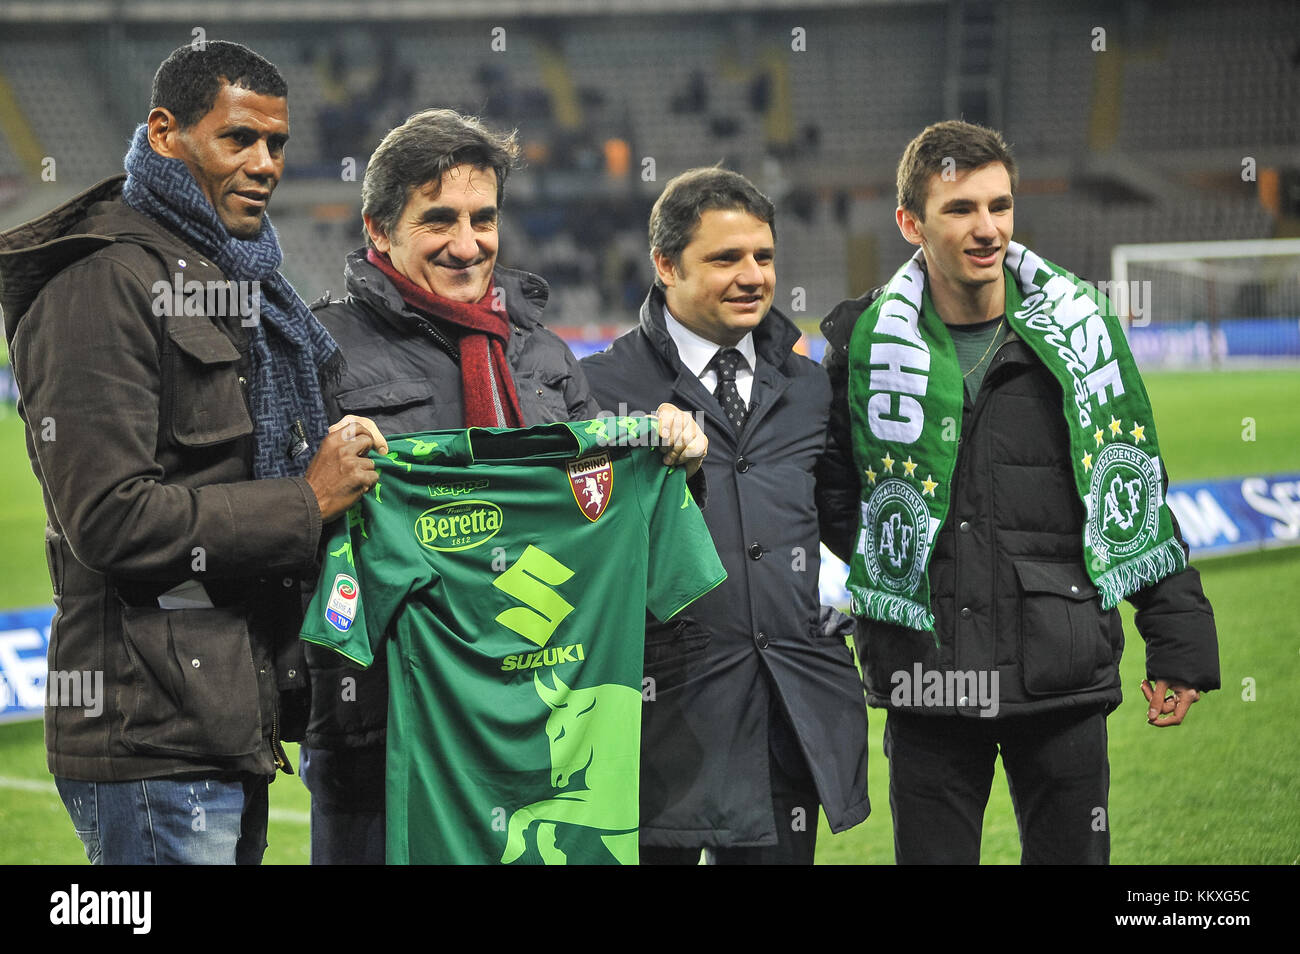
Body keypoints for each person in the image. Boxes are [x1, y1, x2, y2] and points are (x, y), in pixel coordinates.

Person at [0, 41, 383, 865]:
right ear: (165, 133)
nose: (265, 163)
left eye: (276, 144)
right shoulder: (101, 285)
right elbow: (110, 519)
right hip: (149, 734)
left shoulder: (229, 274)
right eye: (238, 138)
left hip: (217, 719)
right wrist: (305, 501)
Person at [302, 108, 705, 864]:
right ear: (379, 228)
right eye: (440, 220)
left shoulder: (545, 356)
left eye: (483, 219)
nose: (468, 244)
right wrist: (319, 489)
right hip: (383, 745)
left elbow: (613, 530)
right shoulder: (323, 354)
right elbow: (289, 537)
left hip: (545, 730)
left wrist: (675, 463)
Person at [818, 120, 1220, 864]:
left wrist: (1179, 635)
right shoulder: (860, 348)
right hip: (927, 679)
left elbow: (1127, 489)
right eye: (961, 209)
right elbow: (842, 501)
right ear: (911, 223)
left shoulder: (1080, 334)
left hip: (1057, 672)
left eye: (1000, 206)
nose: (988, 228)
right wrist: (924, 572)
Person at [580, 167, 870, 865]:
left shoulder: (806, 387)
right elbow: (586, 554)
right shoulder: (602, 389)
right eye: (725, 259)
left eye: (763, 258)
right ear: (665, 264)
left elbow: (845, 520)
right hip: (662, 726)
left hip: (786, 720)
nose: (752, 276)